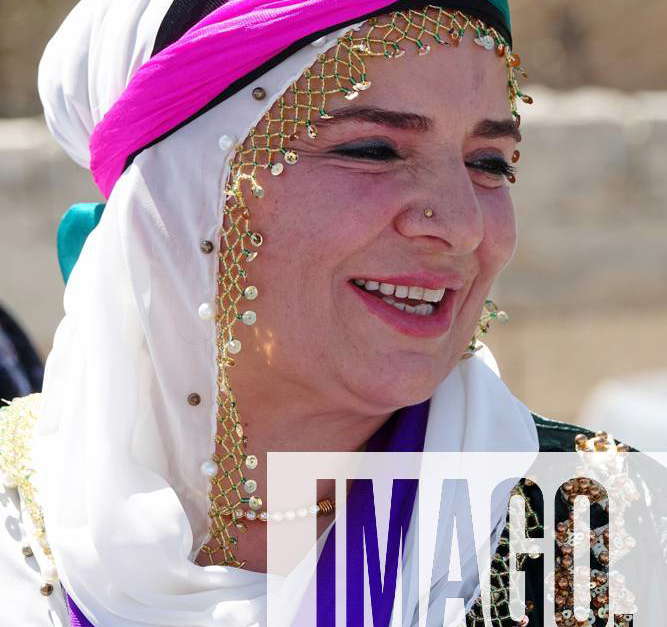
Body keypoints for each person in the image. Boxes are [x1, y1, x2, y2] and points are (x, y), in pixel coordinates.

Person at [0, 1, 661, 626]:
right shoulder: (17, 525)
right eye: (372, 150)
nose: (461, 226)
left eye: (487, 163)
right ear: (188, 191)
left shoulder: (609, 532)